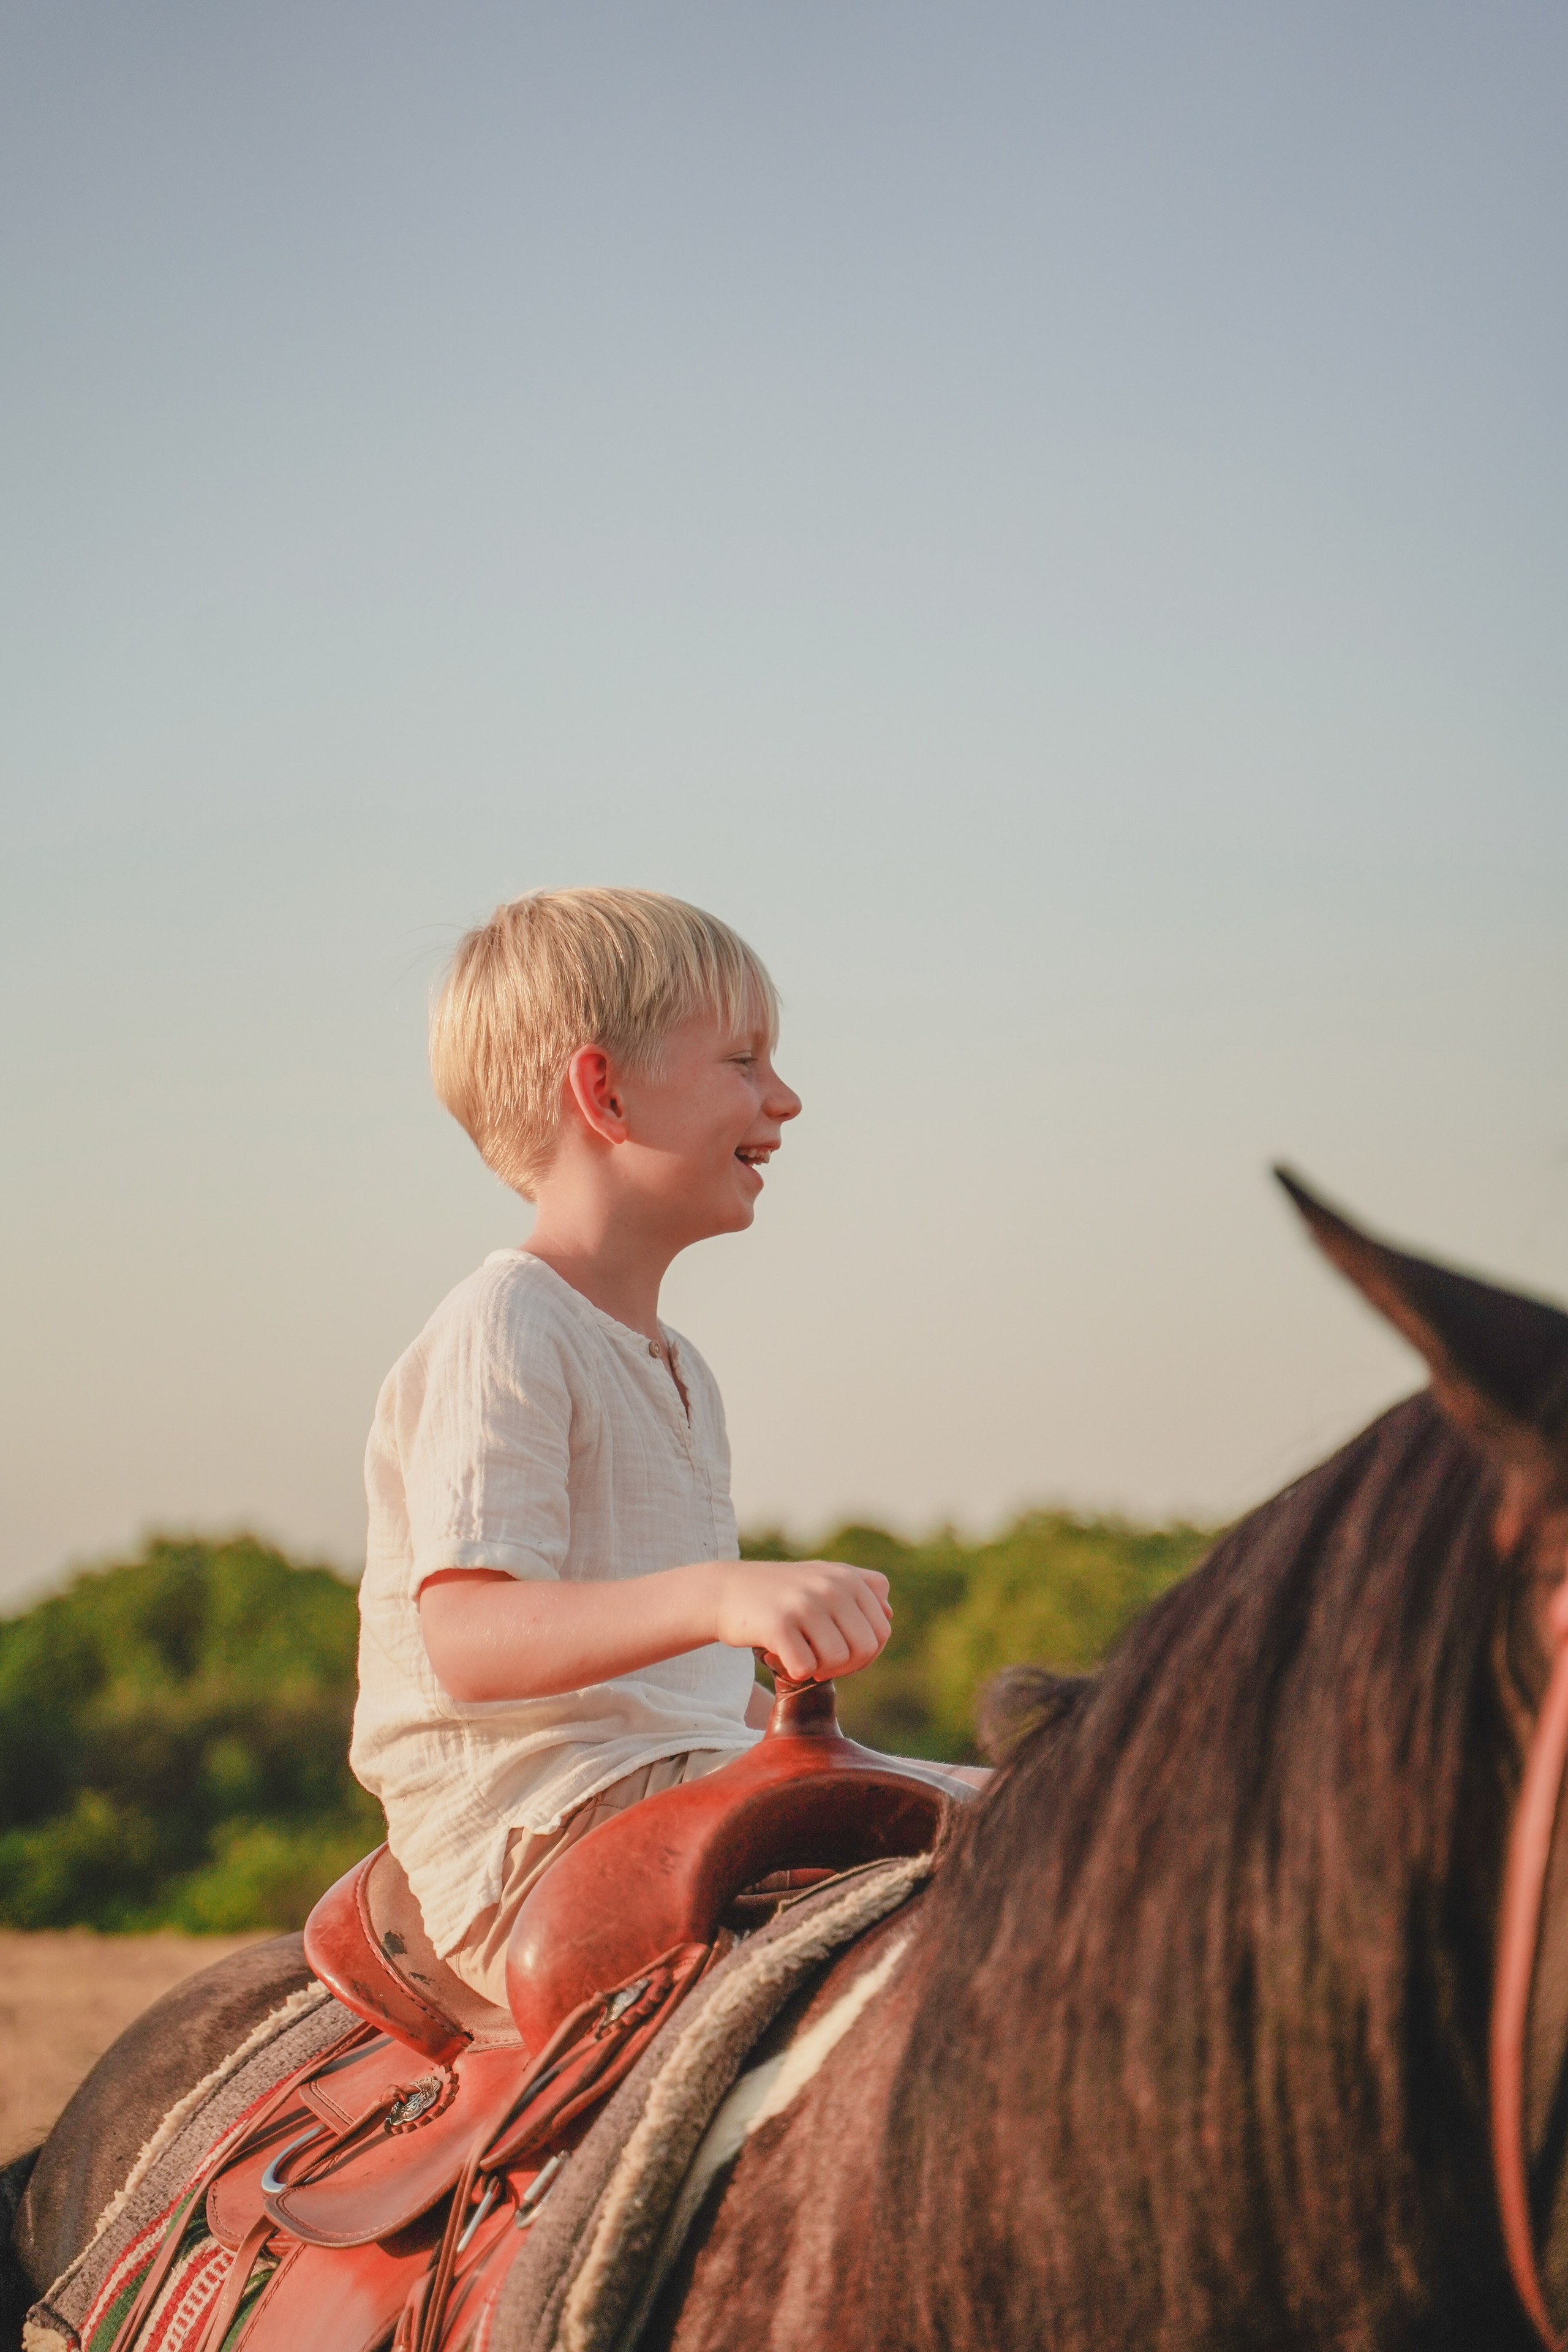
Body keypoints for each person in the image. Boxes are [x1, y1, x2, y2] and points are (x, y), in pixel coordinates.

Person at [350, 886, 972, 2010]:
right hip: (543, 1822)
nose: (784, 1097)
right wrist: (721, 1595)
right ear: (605, 1091)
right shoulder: (512, 1322)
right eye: (743, 1061)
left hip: (677, 1778)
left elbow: (686, 1690)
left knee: (1032, 1806)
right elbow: (470, 1636)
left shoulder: (679, 1367)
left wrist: (828, 1742)